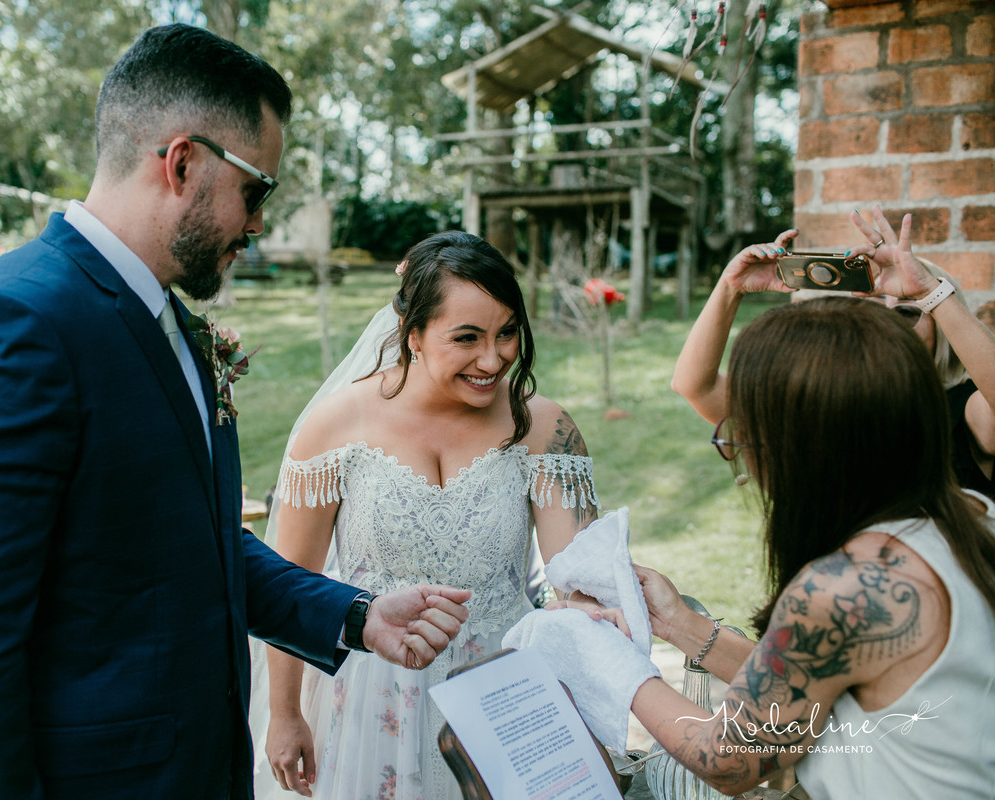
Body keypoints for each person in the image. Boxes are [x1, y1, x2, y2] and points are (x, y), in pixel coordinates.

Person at [0, 24, 470, 800]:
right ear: (182, 161)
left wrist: (356, 616)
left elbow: (196, 539)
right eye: (257, 191)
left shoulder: (175, 324)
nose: (258, 224)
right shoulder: (8, 327)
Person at [582, 294, 995, 798]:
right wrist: (679, 624)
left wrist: (609, 663)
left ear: (804, 449)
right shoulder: (970, 514)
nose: (742, 459)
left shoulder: (845, 588)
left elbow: (729, 758)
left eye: (745, 434)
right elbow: (806, 682)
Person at [254, 231, 603, 799]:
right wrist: (286, 713)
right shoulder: (335, 426)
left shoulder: (543, 428)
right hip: (369, 694)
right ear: (412, 335)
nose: (494, 359)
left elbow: (580, 580)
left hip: (503, 692)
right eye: (467, 338)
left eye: (508, 332)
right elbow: (290, 583)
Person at [672, 206, 995, 496]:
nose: (886, 323)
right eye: (872, 308)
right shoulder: (830, 399)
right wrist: (731, 286)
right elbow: (697, 387)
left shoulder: (961, 409)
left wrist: (930, 292)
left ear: (942, 327)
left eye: (908, 312)